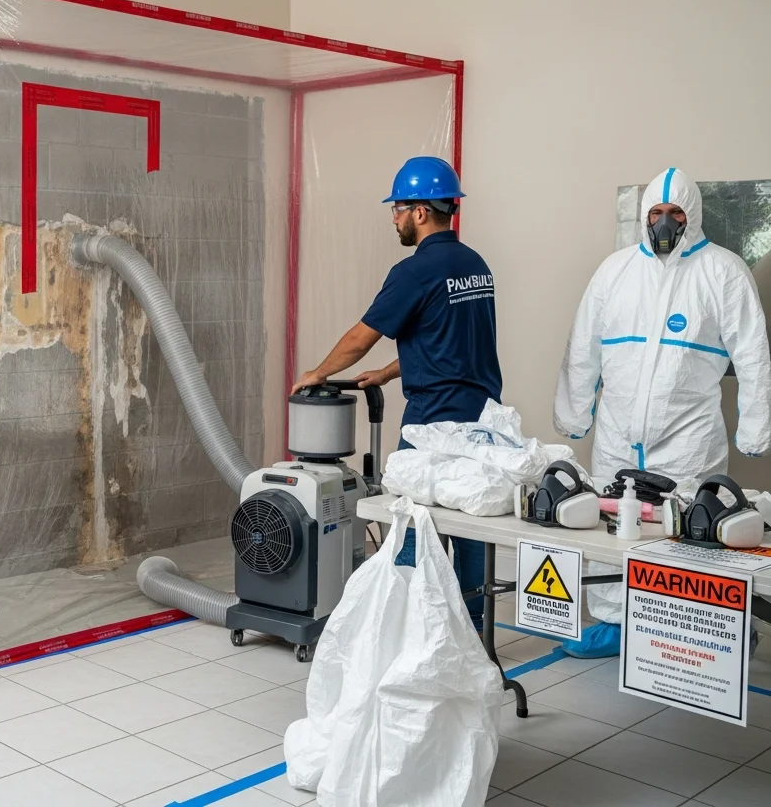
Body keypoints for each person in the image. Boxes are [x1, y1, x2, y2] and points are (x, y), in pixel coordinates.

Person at [554, 167, 771, 658]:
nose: (665, 222)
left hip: (687, 435)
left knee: (692, 531)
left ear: (691, 217)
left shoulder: (723, 271)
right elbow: (582, 347)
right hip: (617, 430)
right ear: (644, 216)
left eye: (675, 214)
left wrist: (756, 428)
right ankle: (613, 621)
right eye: (656, 213)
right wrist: (575, 414)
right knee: (612, 527)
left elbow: (755, 355)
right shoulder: (615, 271)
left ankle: (707, 626)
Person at [293, 156, 502, 631]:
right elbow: (451, 342)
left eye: (399, 208)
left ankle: (410, 629)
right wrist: (388, 373)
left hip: (433, 423)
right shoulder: (475, 265)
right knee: (468, 528)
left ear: (421, 211)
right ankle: (470, 628)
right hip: (481, 423)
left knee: (411, 525)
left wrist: (316, 372)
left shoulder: (414, 271)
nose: (394, 217)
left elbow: (360, 337)